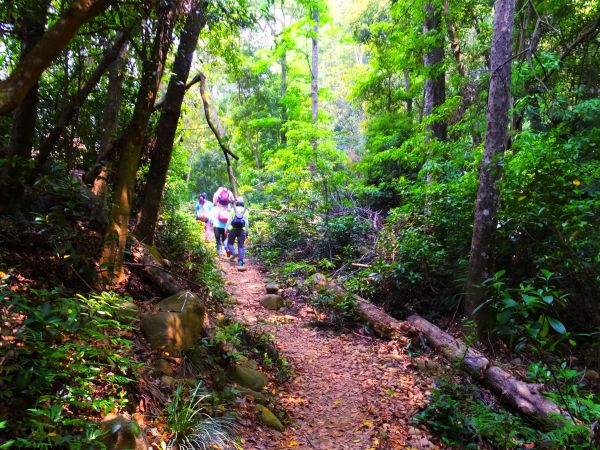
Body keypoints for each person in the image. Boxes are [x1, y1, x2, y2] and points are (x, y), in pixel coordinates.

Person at [226, 198, 249, 267]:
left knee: (229, 243)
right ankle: (240, 263)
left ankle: (234, 252)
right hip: (242, 230)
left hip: (233, 229)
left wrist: (226, 228)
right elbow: (247, 222)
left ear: (236, 204)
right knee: (241, 246)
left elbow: (229, 220)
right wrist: (247, 231)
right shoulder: (246, 211)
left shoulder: (233, 209)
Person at [212, 188, 232, 255]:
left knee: (218, 240)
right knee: (224, 239)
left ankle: (219, 252)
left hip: (216, 226)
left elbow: (211, 218)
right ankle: (227, 249)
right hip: (225, 226)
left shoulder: (215, 208)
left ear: (218, 201)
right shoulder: (228, 208)